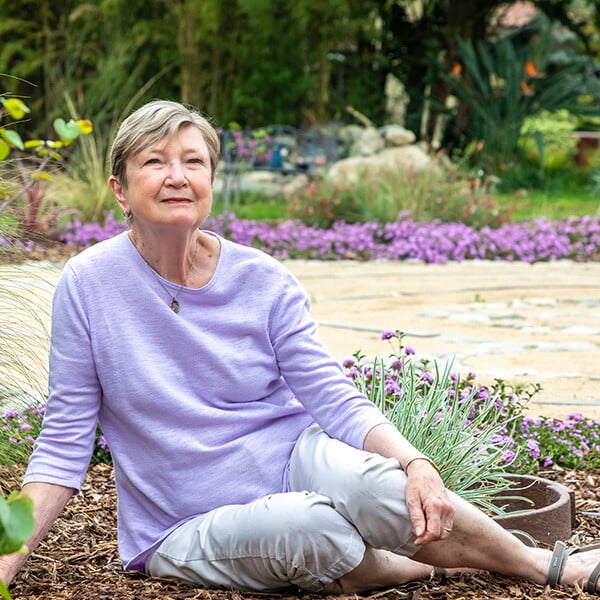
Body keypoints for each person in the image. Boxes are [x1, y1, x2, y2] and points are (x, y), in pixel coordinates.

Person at [1, 99, 600, 596]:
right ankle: (420, 564)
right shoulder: (87, 285)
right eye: (154, 162)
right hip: (180, 521)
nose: (177, 176)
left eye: (193, 161)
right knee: (314, 529)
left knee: (384, 488)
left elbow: (331, 395)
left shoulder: (263, 279)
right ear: (120, 189)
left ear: (211, 180)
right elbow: (64, 443)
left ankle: (547, 566)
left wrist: (415, 462)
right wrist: (6, 561)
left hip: (288, 458)